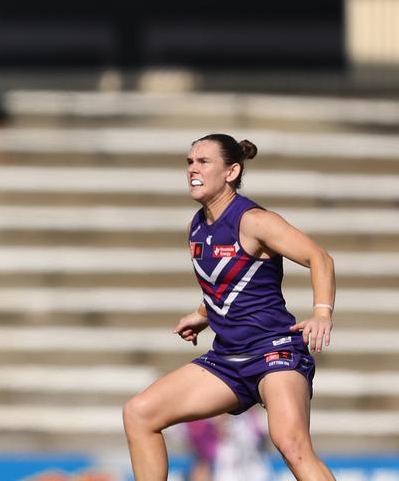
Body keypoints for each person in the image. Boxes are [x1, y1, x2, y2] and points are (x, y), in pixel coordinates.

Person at [122, 134, 337, 481]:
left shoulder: (253, 220)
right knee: (139, 413)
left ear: (231, 171)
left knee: (291, 443)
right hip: (229, 359)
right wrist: (203, 315)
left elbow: (319, 257)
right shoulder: (197, 226)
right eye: (189, 162)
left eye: (203, 162)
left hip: (274, 351)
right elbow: (227, 283)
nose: (193, 168)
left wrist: (322, 312)